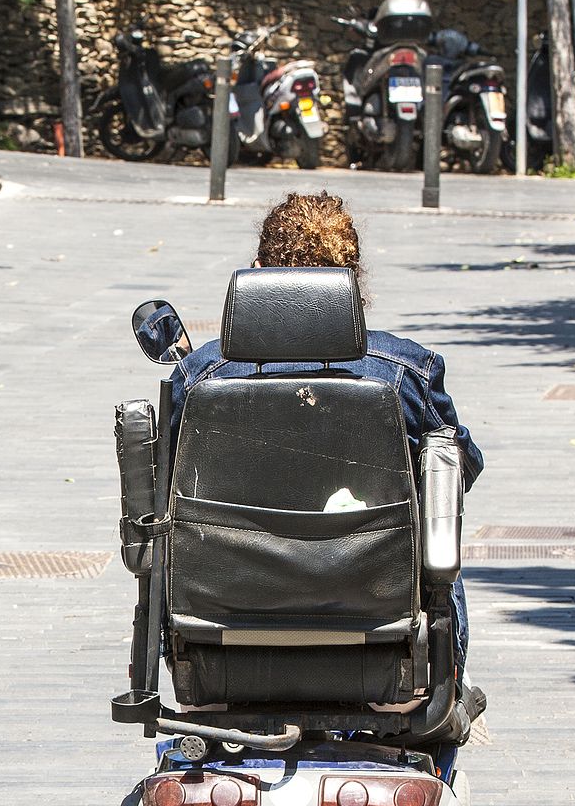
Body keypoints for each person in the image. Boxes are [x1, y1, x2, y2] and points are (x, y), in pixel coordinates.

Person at [167, 190, 484, 682]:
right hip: (378, 614)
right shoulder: (404, 372)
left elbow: (166, 482)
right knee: (436, 514)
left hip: (225, 620)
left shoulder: (201, 376)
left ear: (258, 271)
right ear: (351, 280)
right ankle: (448, 678)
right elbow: (458, 468)